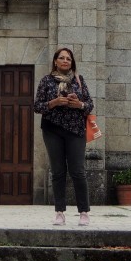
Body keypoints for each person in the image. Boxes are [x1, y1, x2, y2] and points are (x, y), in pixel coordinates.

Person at [34, 47, 94, 226]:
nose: (65, 60)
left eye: (68, 58)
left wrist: (79, 104)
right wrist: (54, 103)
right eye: (62, 58)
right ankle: (59, 212)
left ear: (72, 62)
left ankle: (84, 212)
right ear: (55, 61)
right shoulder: (46, 81)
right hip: (52, 130)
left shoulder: (79, 80)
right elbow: (37, 106)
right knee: (58, 171)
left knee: (78, 171)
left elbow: (90, 105)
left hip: (76, 131)